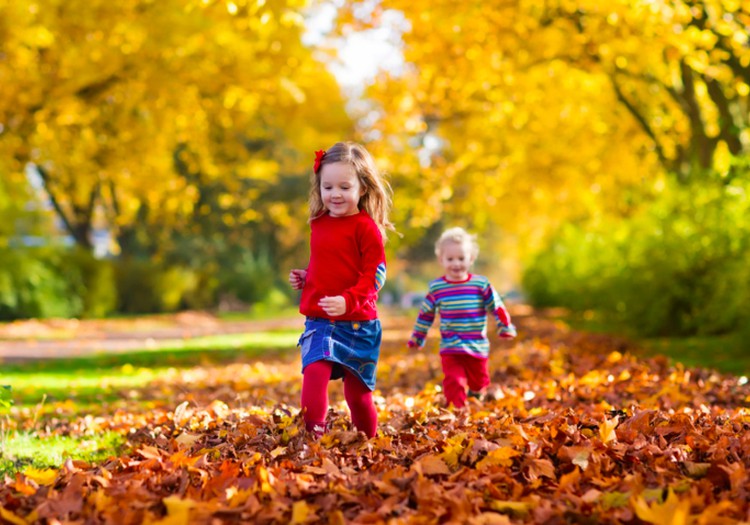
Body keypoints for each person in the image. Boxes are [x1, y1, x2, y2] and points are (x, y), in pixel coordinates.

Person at [289, 142, 396, 438]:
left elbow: (374, 276)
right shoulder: (318, 223)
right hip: (320, 320)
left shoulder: (366, 228)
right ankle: (313, 438)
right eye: (328, 187)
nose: (335, 194)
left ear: (362, 188)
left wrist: (348, 301)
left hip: (359, 324)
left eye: (344, 187)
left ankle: (367, 442)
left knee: (357, 396)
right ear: (319, 187)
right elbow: (330, 265)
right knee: (313, 376)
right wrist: (307, 277)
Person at [407, 227, 517, 408]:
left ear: (471, 259)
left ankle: (476, 392)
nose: (456, 264)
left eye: (461, 258)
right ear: (441, 260)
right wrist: (418, 338)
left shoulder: (480, 284)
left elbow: (496, 306)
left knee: (479, 381)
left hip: (477, 346)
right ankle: (456, 411)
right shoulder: (437, 287)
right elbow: (425, 314)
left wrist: (505, 326)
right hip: (451, 347)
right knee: (454, 380)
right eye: (450, 259)